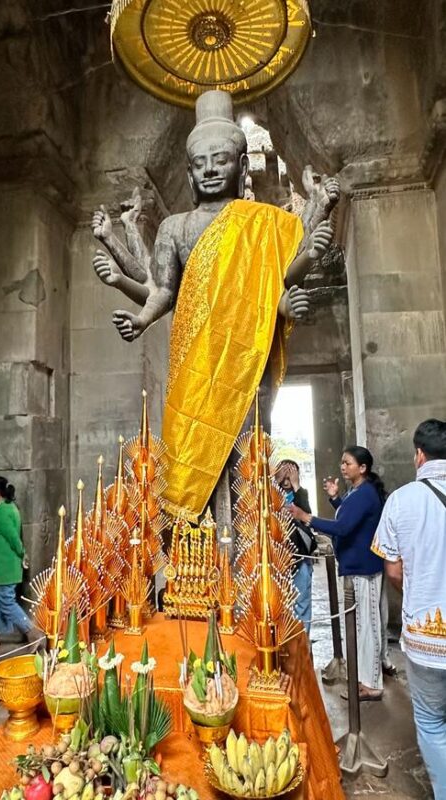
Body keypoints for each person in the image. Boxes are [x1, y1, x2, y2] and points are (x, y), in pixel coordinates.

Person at [91, 89, 339, 520]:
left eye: (219, 160)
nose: (209, 170)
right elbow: (164, 292)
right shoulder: (175, 226)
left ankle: (242, 551)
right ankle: (189, 546)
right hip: (194, 358)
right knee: (186, 451)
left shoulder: (262, 223)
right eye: (200, 163)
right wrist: (140, 318)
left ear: (242, 166)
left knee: (242, 447)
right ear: (188, 174)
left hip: (242, 358)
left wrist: (313, 233)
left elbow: (274, 280)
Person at [372, 419, 446, 798]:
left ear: (419, 454)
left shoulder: (401, 500)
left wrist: (418, 587)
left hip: (427, 640)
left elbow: (393, 570)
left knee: (433, 722)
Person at [288, 446, 387, 700]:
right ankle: (365, 677)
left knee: (369, 627)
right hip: (356, 567)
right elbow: (350, 516)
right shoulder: (356, 492)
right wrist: (335, 498)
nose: (343, 467)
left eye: (348, 463)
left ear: (362, 468)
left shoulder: (365, 494)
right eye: (342, 463)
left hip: (365, 568)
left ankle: (372, 683)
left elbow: (343, 527)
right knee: (362, 626)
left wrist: (306, 517)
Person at [0, 476, 41, 650]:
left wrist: (23, 553)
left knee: (6, 603)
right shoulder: (6, 508)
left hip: (5, 567)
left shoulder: (3, 512)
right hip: (3, 566)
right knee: (1, 603)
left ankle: (32, 633)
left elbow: (13, 537)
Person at [278, 460, 316, 633]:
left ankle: (302, 642)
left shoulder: (300, 494)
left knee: (302, 602)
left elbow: (307, 516)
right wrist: (273, 480)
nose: (286, 480)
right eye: (283, 475)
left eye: (290, 475)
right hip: (280, 557)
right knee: (281, 603)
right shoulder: (271, 493)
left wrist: (296, 485)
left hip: (300, 557)